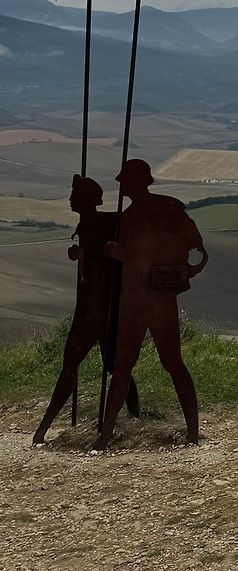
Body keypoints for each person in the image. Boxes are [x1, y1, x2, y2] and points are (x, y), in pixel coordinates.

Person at [94, 158, 208, 449]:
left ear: (135, 182)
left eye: (124, 180)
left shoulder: (139, 216)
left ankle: (106, 435)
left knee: (132, 366)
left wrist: (117, 253)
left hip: (140, 300)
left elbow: (143, 255)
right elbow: (198, 249)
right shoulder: (167, 208)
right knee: (164, 364)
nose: (121, 185)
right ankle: (191, 432)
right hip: (154, 298)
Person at [31, 174, 140, 444]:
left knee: (112, 366)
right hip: (90, 307)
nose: (70, 200)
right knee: (80, 366)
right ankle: (43, 429)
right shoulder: (87, 224)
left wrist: (91, 256)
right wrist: (81, 254)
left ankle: (134, 419)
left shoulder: (105, 224)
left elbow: (107, 262)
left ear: (87, 200)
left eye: (75, 196)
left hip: (101, 307)